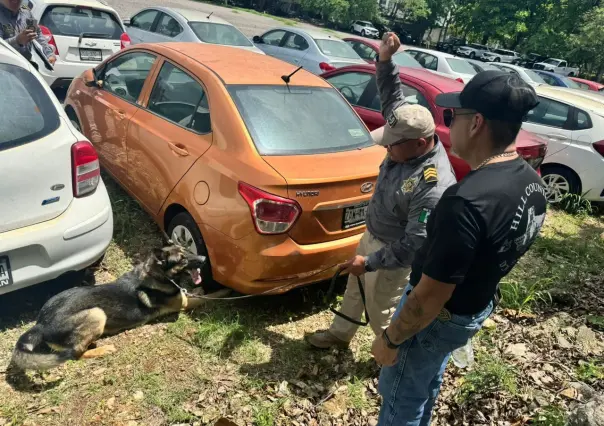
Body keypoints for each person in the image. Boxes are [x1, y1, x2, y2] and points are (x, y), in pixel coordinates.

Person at [370, 64, 546, 424]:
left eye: (453, 115)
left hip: (438, 317)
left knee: (400, 393)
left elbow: (429, 297)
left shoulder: (464, 202)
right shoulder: (531, 181)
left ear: (477, 122)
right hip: (472, 309)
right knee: (426, 383)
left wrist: (389, 340)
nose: (447, 125)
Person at [306, 33, 456, 350]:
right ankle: (339, 335)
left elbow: (416, 242)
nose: (386, 146)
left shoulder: (432, 184)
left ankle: (388, 352)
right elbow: (392, 97)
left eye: (392, 144)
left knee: (380, 307)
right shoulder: (408, 126)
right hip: (373, 233)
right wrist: (386, 59)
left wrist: (372, 262)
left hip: (394, 254)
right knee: (354, 286)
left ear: (420, 144)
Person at [0, 0, 56, 69]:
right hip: (5, 68)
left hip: (26, 67)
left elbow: (37, 33)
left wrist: (49, 53)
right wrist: (17, 41)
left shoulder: (26, 13)